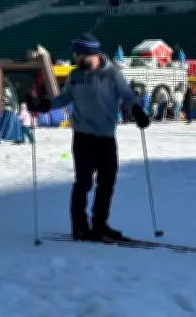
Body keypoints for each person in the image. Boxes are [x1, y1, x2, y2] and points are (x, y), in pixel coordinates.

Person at [37, 33, 150, 242]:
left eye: (78, 55)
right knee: (83, 183)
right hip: (82, 137)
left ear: (90, 54)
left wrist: (137, 111)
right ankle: (79, 227)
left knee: (107, 182)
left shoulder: (112, 74)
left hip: (106, 137)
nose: (75, 58)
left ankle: (100, 225)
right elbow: (65, 97)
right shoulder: (75, 75)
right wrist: (47, 105)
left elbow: (127, 95)